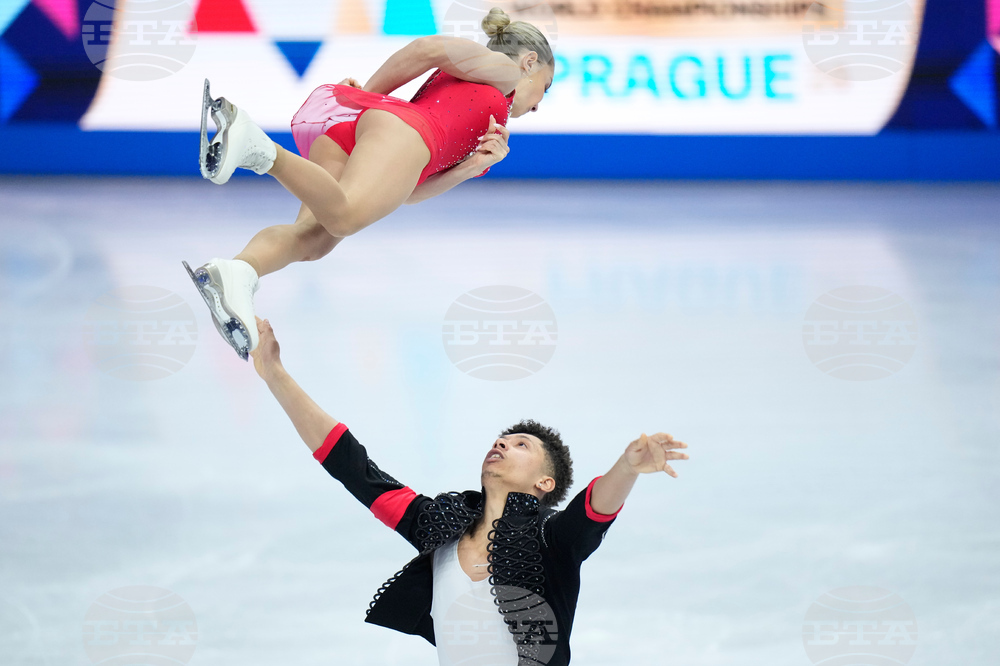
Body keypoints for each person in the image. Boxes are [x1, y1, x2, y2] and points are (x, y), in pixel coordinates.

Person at [249, 316, 690, 665]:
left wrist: (627, 467)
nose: (502, 443)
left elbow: (594, 509)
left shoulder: (554, 541)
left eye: (522, 445)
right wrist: (275, 375)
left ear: (545, 483)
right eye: (502, 438)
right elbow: (351, 466)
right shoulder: (439, 525)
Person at [183, 7, 556, 360]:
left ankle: (237, 272)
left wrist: (471, 167)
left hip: (378, 137)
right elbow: (425, 49)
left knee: (315, 238)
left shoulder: (491, 129)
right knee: (344, 218)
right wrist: (365, 98)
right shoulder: (505, 74)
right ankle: (257, 147)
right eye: (546, 85)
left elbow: (407, 192)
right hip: (399, 130)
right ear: (529, 63)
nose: (540, 103)